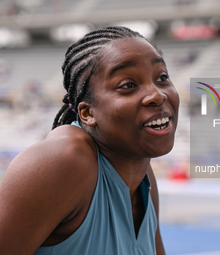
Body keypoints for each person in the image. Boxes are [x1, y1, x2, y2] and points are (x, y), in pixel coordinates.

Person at [0, 26, 180, 255]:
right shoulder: (62, 161)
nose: (157, 94)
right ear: (87, 114)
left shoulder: (142, 176)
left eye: (162, 77)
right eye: (128, 85)